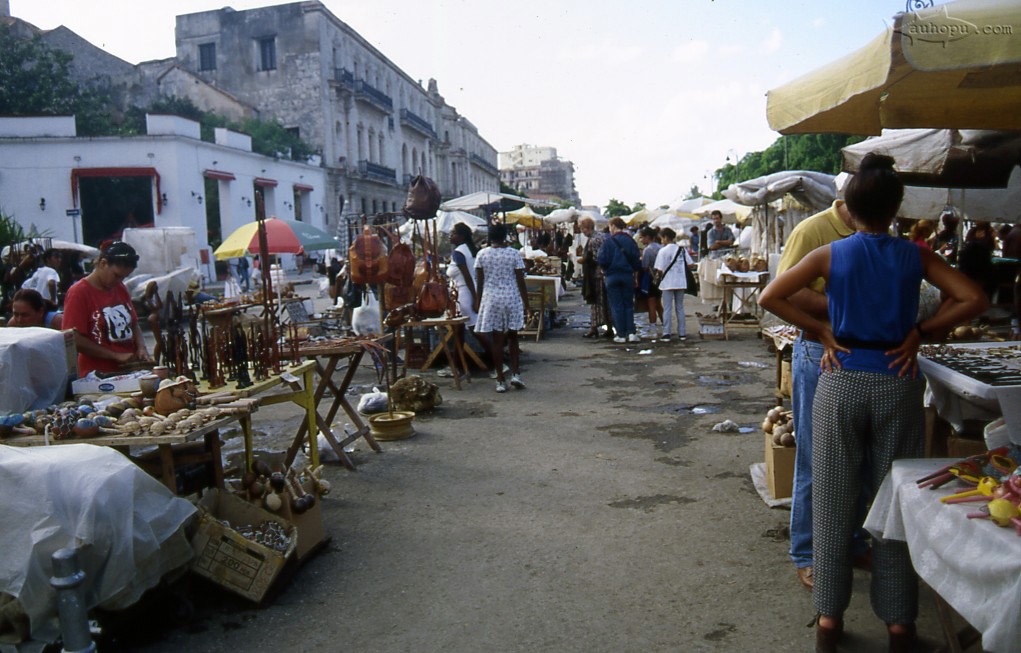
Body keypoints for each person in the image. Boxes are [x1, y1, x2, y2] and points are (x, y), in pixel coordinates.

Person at [759, 153, 986, 653]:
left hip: (841, 379)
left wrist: (820, 330)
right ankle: (900, 624)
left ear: (849, 206)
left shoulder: (833, 254)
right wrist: (922, 333)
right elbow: (974, 298)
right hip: (897, 380)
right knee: (893, 502)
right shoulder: (915, 256)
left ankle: (829, 621)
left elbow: (771, 296)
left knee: (833, 499)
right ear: (897, 207)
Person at [771, 187, 859, 591]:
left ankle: (854, 541)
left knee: (856, 455)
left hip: (860, 352)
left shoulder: (877, 229)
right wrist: (844, 307)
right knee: (813, 454)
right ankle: (806, 552)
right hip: (818, 349)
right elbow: (782, 292)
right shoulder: (813, 231)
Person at [62, 241, 152, 377]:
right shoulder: (79, 292)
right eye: (116, 275)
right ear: (103, 263)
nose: (119, 280)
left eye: (124, 277)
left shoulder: (120, 287)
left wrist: (141, 347)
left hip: (128, 370)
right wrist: (115, 355)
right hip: (98, 374)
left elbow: (133, 323)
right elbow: (73, 338)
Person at [474, 224, 530, 393]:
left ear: (490, 237)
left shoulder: (482, 255)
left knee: (497, 340)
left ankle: (500, 379)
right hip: (511, 298)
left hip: (491, 299)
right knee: (513, 337)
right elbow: (521, 280)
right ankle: (516, 374)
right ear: (505, 236)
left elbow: (480, 282)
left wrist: (478, 301)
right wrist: (527, 304)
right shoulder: (514, 254)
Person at [447, 222, 494, 376]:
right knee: (459, 333)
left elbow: (467, 277)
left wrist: (475, 299)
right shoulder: (470, 250)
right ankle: (456, 366)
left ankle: (496, 362)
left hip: (465, 295)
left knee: (476, 330)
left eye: (453, 233)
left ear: (461, 236)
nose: (450, 235)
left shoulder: (459, 253)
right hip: (467, 294)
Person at [597, 217, 641, 343]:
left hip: (612, 276)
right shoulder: (630, 241)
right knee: (628, 305)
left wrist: (606, 269)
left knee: (616, 306)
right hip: (628, 276)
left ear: (614, 226)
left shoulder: (608, 241)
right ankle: (631, 333)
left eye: (610, 227)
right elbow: (636, 260)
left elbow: (602, 260)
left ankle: (621, 334)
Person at [653, 228, 694, 341]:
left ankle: (667, 333)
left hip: (667, 282)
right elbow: (691, 264)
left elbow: (659, 269)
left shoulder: (663, 251)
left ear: (665, 237)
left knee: (667, 308)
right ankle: (682, 333)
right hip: (680, 281)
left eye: (661, 238)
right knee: (680, 307)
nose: (661, 241)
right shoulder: (682, 249)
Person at [579, 217, 612, 338]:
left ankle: (594, 327)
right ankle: (608, 327)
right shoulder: (603, 236)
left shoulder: (593, 240)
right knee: (606, 302)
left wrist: (583, 260)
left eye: (582, 229)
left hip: (596, 275)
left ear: (586, 228)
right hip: (606, 274)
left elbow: (595, 258)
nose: (582, 232)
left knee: (596, 301)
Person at [638, 226, 663, 334]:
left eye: (641, 238)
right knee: (658, 303)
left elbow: (645, 266)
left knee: (651, 303)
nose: (640, 240)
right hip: (661, 279)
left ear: (647, 237)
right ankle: (665, 323)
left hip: (651, 279)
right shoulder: (661, 247)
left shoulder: (648, 250)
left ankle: (653, 326)